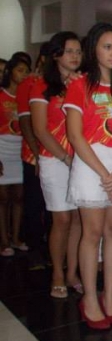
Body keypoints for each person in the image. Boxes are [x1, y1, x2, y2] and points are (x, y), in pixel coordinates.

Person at [65, 22, 112, 330]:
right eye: (107, 46)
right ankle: (90, 299)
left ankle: (109, 296)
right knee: (92, 233)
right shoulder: (79, 85)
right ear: (94, 48)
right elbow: (75, 134)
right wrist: (104, 173)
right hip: (91, 163)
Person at [30, 33, 83, 298]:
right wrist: (65, 157)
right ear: (56, 55)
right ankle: (58, 274)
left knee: (77, 219)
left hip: (81, 159)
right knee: (61, 218)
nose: (75, 56)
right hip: (55, 159)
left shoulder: (83, 83)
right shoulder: (41, 85)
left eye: (78, 51)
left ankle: (72, 271)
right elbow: (40, 130)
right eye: (69, 51)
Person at [16, 43, 51, 265]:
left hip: (58, 152)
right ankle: (35, 249)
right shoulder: (30, 83)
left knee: (52, 207)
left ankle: (50, 248)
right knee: (34, 202)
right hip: (34, 153)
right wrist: (37, 154)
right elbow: (25, 121)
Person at [0, 54, 31, 256]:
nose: (23, 75)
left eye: (26, 71)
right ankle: (4, 240)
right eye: (20, 70)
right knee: (3, 198)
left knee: (19, 196)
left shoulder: (26, 95)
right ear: (10, 72)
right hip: (2, 147)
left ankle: (16, 236)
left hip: (20, 147)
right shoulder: (1, 95)